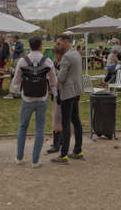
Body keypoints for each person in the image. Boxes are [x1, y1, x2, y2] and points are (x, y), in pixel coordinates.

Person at [12, 36, 57, 168]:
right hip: (42, 98)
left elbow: (16, 81)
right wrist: (54, 92)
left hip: (27, 98)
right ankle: (35, 160)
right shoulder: (47, 61)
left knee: (22, 127)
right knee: (40, 128)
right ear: (41, 46)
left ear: (29, 46)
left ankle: (19, 157)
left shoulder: (22, 61)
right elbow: (53, 81)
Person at [51, 34, 84, 164]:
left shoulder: (66, 57)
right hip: (76, 91)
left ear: (66, 42)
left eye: (59, 43)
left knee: (66, 123)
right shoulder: (76, 54)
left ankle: (63, 154)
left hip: (68, 93)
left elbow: (61, 77)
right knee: (76, 120)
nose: (57, 46)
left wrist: (55, 78)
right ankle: (78, 150)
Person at [46, 43, 65, 154]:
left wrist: (55, 73)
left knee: (57, 117)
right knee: (57, 116)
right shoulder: (55, 62)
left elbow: (60, 78)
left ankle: (56, 144)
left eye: (56, 53)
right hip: (55, 92)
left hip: (60, 93)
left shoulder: (63, 63)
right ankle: (60, 141)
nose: (55, 55)